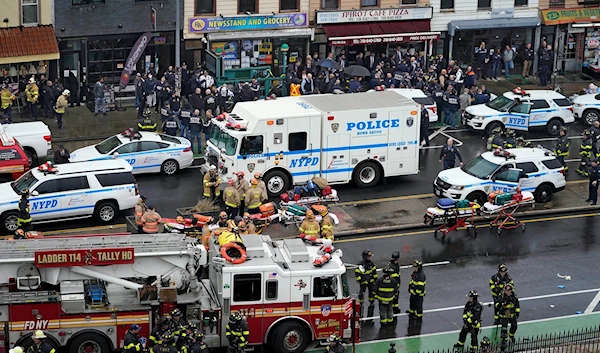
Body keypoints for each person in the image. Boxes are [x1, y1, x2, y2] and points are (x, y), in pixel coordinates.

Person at [355, 249, 377, 318]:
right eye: (368, 256)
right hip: (363, 283)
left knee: (371, 292)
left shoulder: (371, 264)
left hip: (370, 282)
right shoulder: (361, 265)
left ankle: (371, 302)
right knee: (362, 292)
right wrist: (361, 281)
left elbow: (374, 273)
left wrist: (374, 280)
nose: (370, 258)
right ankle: (360, 303)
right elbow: (357, 273)